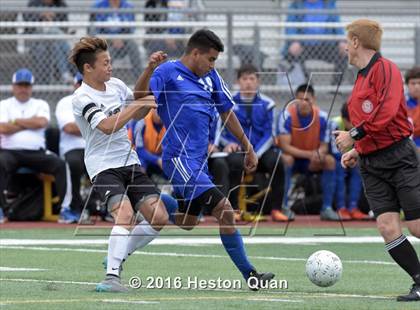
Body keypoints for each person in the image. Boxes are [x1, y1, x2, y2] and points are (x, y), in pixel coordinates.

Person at [144, 29, 274, 288]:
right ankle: (251, 275)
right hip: (177, 157)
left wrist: (248, 147)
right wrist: (148, 71)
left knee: (189, 222)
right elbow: (142, 100)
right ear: (195, 53)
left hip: (198, 161)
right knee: (225, 210)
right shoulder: (166, 72)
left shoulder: (211, 77)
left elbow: (227, 112)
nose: (214, 65)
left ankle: (150, 200)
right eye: (211, 59)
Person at [69, 37, 176, 292]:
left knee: (159, 216)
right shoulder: (81, 97)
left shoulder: (115, 85)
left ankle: (117, 256)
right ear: (88, 68)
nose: (110, 67)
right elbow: (107, 126)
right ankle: (111, 278)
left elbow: (139, 110)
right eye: (105, 63)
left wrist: (149, 70)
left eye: (110, 62)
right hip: (103, 166)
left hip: (130, 162)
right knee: (125, 214)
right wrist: (138, 104)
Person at [334, 19, 420, 301]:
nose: (345, 48)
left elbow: (385, 112)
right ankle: (419, 280)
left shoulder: (386, 69)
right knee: (386, 227)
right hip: (372, 165)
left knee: (416, 226)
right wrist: (356, 151)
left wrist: (353, 136)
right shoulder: (360, 77)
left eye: (348, 41)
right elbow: (373, 124)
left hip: (400, 157)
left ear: (356, 42)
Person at [220, 64, 287, 222]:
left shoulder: (268, 104)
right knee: (234, 162)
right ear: (238, 81)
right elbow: (221, 131)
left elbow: (270, 134)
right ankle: (234, 209)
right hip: (238, 151)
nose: (248, 82)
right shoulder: (228, 102)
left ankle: (277, 209)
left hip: (260, 152)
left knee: (278, 161)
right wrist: (228, 143)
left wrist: (255, 154)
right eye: (244, 79)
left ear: (258, 81)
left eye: (252, 78)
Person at [0, 68, 68, 220]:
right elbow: (3, 128)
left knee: (59, 164)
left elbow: (42, 122)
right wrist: (30, 122)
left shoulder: (40, 103)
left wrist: (15, 121)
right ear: (13, 86)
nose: (23, 89)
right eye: (20, 85)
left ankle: (64, 209)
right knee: (0, 162)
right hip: (10, 152)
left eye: (26, 86)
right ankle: (2, 209)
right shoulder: (4, 104)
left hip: (36, 152)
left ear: (31, 87)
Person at [277, 84, 339, 221]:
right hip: (294, 158)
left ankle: (327, 208)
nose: (303, 103)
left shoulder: (323, 117)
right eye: (300, 99)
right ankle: (284, 206)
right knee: (286, 159)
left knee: (329, 161)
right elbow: (285, 146)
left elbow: (324, 146)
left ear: (314, 100)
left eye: (307, 100)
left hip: (311, 161)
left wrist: (318, 154)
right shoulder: (286, 116)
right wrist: (310, 154)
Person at [282, 0, 347, 85]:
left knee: (344, 54)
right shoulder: (296, 4)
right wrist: (294, 41)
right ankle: (307, 87)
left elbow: (337, 25)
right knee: (291, 55)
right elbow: (290, 26)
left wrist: (341, 41)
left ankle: (335, 88)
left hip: (325, 45)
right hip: (303, 45)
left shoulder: (328, 4)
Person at [55, 73, 89, 221]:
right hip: (72, 148)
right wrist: (97, 126)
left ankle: (107, 208)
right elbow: (68, 128)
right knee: (72, 163)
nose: (83, 86)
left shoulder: (101, 100)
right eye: (80, 83)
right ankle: (67, 207)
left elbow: (111, 126)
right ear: (75, 85)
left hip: (96, 147)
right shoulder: (66, 102)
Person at [330, 103, 367, 220]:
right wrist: (345, 159)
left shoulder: (362, 126)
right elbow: (332, 149)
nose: (353, 126)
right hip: (337, 160)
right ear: (344, 119)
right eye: (351, 122)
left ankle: (353, 207)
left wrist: (354, 158)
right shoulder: (334, 124)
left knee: (358, 170)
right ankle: (341, 208)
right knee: (339, 169)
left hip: (353, 159)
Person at [23, 0, 73, 84]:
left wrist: (53, 18)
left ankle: (64, 74)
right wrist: (41, 16)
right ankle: (70, 55)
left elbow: (65, 26)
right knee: (53, 32)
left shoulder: (61, 4)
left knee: (55, 44)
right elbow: (28, 24)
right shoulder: (33, 3)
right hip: (37, 38)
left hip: (55, 41)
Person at [90, 0, 142, 78]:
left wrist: (121, 38)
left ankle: (140, 79)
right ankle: (103, 78)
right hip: (105, 40)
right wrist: (111, 39)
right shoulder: (98, 5)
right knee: (106, 51)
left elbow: (130, 29)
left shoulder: (128, 6)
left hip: (124, 41)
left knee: (133, 46)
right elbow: (94, 30)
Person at [128, 109, 166, 177]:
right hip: (138, 155)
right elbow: (139, 150)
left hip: (158, 156)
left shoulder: (169, 123)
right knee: (140, 167)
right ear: (153, 109)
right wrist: (157, 160)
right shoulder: (141, 121)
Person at [405, 66, 420, 150]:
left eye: (419, 83)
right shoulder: (401, 105)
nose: (417, 87)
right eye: (413, 83)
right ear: (407, 85)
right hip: (408, 151)